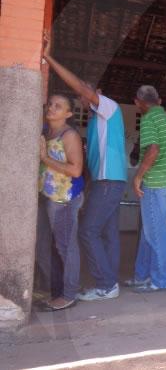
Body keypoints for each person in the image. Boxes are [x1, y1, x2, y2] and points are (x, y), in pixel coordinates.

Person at [43, 36, 128, 302]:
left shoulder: (108, 107)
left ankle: (106, 284)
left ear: (96, 93)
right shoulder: (94, 121)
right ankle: (110, 282)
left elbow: (80, 85)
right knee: (107, 232)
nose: (82, 97)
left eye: (85, 93)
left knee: (87, 231)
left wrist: (49, 59)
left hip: (110, 181)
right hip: (104, 182)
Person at [128, 86, 166, 293]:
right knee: (149, 232)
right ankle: (142, 275)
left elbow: (153, 149)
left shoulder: (149, 119)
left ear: (137, 102)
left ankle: (160, 280)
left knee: (156, 233)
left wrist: (138, 177)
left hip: (155, 182)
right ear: (158, 100)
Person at [38, 94, 85, 310]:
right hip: (49, 196)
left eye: (58, 106)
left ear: (68, 114)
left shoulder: (69, 135)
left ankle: (69, 294)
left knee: (66, 246)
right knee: (51, 246)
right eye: (51, 104)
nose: (51, 108)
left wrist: (45, 158)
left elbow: (76, 170)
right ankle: (58, 291)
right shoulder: (47, 132)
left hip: (65, 198)